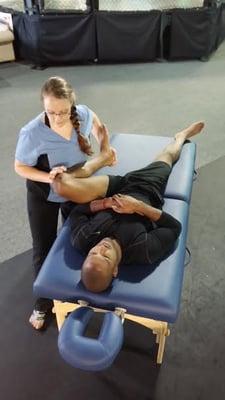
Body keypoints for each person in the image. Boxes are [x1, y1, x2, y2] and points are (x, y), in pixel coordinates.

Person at [51, 121, 204, 293]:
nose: (102, 248)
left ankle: (104, 157)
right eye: (106, 257)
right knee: (167, 157)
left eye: (94, 253)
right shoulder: (142, 251)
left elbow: (77, 212)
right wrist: (139, 206)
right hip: (145, 189)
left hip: (110, 190)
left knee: (61, 184)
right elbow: (174, 227)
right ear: (115, 270)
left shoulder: (83, 240)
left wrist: (105, 203)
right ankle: (181, 136)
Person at [14, 76, 117, 330]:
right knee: (44, 246)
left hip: (76, 188)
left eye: (63, 111)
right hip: (44, 194)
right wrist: (46, 177)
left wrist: (106, 150)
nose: (57, 117)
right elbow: (19, 166)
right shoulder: (32, 133)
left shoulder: (81, 113)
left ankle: (76, 290)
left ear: (72, 105)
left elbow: (100, 127)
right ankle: (42, 302)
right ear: (43, 107)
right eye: (51, 112)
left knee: (78, 238)